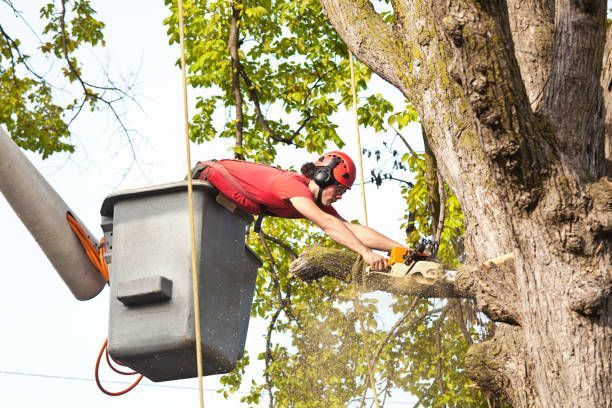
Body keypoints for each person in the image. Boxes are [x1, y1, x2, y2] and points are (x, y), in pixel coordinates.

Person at [193, 151, 407, 270]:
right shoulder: (293, 187)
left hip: (218, 203)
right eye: (339, 189)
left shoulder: (314, 202)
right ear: (323, 177)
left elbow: (351, 229)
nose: (340, 196)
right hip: (200, 184)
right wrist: (365, 253)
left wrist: (398, 248)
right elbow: (328, 225)